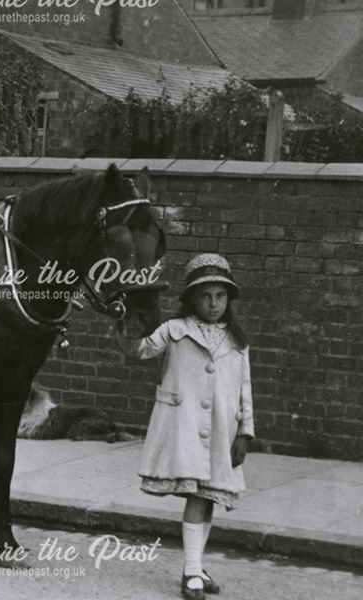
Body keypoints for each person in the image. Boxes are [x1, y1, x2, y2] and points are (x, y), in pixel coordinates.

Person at [114, 253, 254, 600]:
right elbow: (141, 349)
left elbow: (244, 388)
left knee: (207, 499)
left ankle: (196, 566)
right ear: (190, 298)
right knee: (197, 496)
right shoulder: (175, 330)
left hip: (222, 430)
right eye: (205, 296)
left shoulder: (236, 339)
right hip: (185, 427)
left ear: (229, 299)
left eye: (220, 296)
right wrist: (127, 321)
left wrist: (245, 432)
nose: (213, 303)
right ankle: (191, 571)